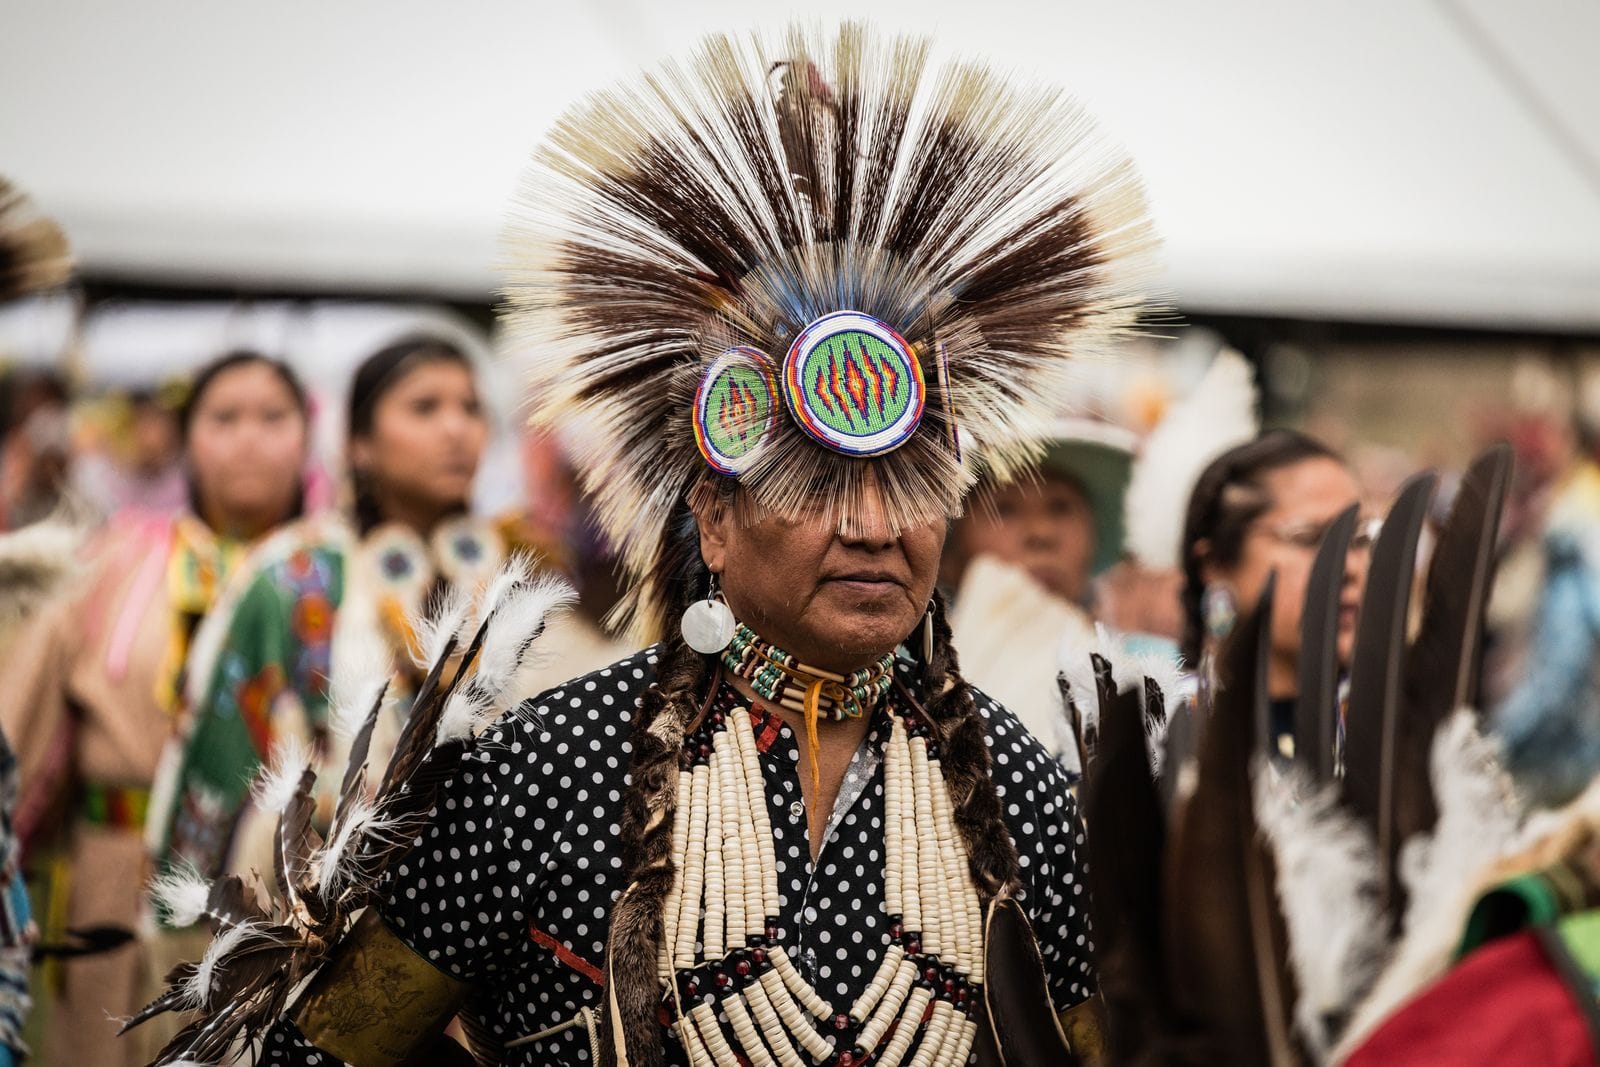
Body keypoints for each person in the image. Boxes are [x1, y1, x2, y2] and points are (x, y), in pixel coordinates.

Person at [132, 22, 1155, 1066]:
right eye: (819, 485)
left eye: (912, 484)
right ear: (712, 519)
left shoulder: (1015, 784)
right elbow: (320, 1052)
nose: (875, 525)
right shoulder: (547, 766)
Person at [149, 335, 616, 887]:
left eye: (471, 408)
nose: (456, 429)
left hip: (492, 913)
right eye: (425, 407)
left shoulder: (517, 575)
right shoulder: (294, 576)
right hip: (320, 914)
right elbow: (215, 775)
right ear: (359, 445)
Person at [0, 350, 312, 1067]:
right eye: (224, 417)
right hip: (114, 881)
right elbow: (16, 722)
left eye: (273, 417)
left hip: (276, 903)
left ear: (306, 435)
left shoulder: (332, 579)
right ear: (188, 436)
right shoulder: (114, 563)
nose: (248, 437)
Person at [944, 418, 1136, 760]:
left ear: (1093, 534)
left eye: (1061, 507)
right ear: (950, 548)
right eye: (1005, 509)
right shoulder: (899, 680)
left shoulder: (1149, 671)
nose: (1041, 533)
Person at [1179, 429, 1373, 754]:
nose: (1350, 567)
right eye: (1310, 537)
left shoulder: (1399, 735)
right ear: (1216, 564)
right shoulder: (1160, 739)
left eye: (1359, 539)